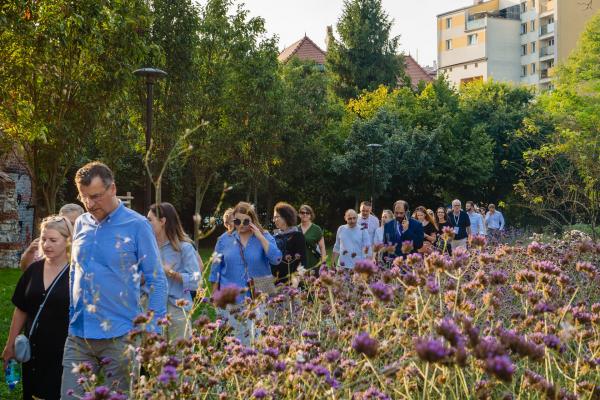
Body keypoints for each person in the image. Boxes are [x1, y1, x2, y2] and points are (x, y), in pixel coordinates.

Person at [61, 162, 167, 399]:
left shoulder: (138, 225)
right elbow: (74, 271)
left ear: (113, 189)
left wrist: (151, 330)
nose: (89, 204)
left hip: (120, 338)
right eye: (84, 197)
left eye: (96, 196)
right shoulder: (81, 223)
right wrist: (71, 313)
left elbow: (157, 280)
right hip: (79, 337)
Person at [3, 215, 72, 400]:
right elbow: (21, 309)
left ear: (67, 241)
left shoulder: (75, 273)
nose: (46, 244)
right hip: (32, 351)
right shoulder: (33, 270)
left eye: (53, 240)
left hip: (62, 353)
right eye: (43, 239)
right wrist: (10, 345)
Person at [209, 202, 282, 344]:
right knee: (235, 340)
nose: (241, 225)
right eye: (237, 221)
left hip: (260, 292)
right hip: (231, 294)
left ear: (252, 220)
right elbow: (214, 271)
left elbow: (276, 259)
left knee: (259, 338)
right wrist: (215, 297)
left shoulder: (265, 236)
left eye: (245, 221)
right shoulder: (224, 240)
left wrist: (260, 237)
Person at [147, 202, 200, 340]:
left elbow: (196, 281)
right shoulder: (148, 247)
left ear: (162, 221)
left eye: (150, 220)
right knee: (155, 358)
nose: (146, 224)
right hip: (152, 311)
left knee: (180, 358)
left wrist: (170, 272)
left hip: (178, 311)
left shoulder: (184, 247)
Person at [19, 203, 84, 271]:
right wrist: (30, 251)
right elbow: (25, 269)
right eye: (64, 222)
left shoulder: (87, 247)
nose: (67, 226)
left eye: (72, 223)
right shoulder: (43, 244)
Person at [271, 202, 307, 284]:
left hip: (291, 283)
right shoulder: (274, 237)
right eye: (273, 218)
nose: (274, 220)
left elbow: (302, 262)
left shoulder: (297, 235)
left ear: (285, 217)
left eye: (276, 217)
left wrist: (296, 282)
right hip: (274, 282)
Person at [298, 204, 327, 273]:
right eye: (302, 213)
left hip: (314, 264)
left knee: (313, 283)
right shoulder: (295, 229)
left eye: (307, 213)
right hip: (299, 266)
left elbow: (322, 248)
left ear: (311, 215)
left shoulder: (316, 229)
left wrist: (323, 264)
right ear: (299, 214)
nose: (305, 214)